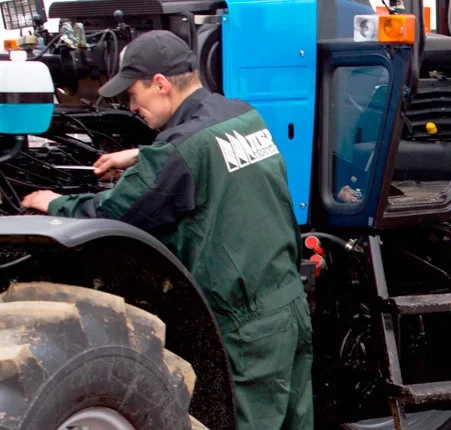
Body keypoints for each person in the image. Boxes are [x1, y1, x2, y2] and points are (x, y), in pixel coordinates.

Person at [22, 30, 313, 430]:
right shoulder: (241, 114)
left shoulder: (183, 149)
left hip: (247, 327)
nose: (131, 106)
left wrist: (52, 203)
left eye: (132, 94)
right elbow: (198, 151)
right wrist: (144, 154)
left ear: (159, 84)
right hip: (288, 304)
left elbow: (117, 214)